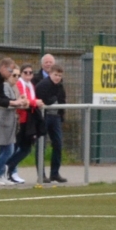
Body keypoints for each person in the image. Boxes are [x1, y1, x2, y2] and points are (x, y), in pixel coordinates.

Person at [32, 56, 68, 184]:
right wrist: (53, 99)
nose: (57, 77)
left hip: (55, 117)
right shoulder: (43, 84)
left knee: (58, 144)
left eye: (59, 75)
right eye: (55, 75)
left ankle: (55, 173)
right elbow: (45, 99)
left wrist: (61, 115)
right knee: (41, 145)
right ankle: (41, 175)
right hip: (44, 117)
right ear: (50, 74)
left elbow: (62, 100)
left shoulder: (60, 85)